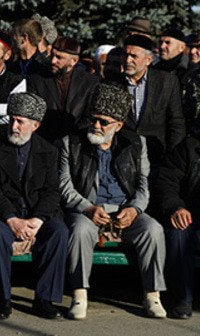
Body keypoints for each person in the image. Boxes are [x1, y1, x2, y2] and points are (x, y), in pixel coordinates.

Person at [59, 84, 167, 320]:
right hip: (88, 208)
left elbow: (143, 184)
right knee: (79, 230)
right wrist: (87, 208)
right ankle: (80, 295)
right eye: (93, 119)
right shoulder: (72, 142)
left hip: (125, 209)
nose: (96, 125)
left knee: (153, 229)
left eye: (103, 122)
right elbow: (65, 186)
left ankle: (152, 295)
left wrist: (134, 209)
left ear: (118, 125)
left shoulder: (137, 144)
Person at [0, 92, 68, 320]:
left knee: (58, 232)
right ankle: (3, 300)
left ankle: (45, 299)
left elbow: (52, 191)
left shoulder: (49, 151)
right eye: (12, 119)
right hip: (5, 215)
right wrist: (11, 219)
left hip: (36, 215)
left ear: (35, 125)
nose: (14, 126)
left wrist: (38, 219)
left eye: (20, 122)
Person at [152, 126, 200, 319]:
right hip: (191, 214)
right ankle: (183, 300)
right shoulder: (188, 148)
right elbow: (166, 182)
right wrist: (176, 207)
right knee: (179, 230)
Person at [122, 34, 185, 163]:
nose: (128, 60)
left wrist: (172, 158)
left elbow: (176, 122)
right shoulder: (114, 84)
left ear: (148, 60)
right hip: (122, 158)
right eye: (125, 55)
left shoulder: (166, 82)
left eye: (134, 56)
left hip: (156, 158)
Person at [27, 36, 99, 142]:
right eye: (52, 55)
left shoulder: (90, 82)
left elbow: (89, 116)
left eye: (59, 57)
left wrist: (69, 138)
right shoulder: (36, 79)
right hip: (43, 141)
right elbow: (32, 113)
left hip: (76, 143)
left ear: (74, 61)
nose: (53, 61)